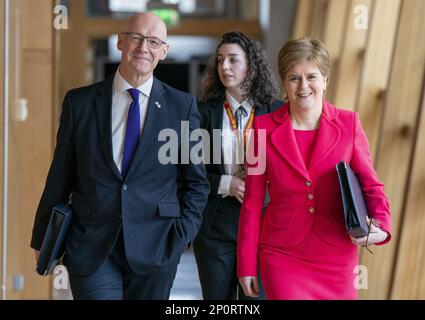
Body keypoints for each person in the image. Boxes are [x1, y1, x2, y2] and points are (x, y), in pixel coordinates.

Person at [30, 12, 209, 300]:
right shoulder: (80, 102)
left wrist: (181, 236)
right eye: (136, 38)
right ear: (121, 42)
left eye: (153, 42)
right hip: (92, 246)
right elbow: (60, 174)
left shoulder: (182, 107)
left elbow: (196, 183)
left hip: (157, 247)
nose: (143, 48)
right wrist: (43, 234)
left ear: (163, 51)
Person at [237, 38, 391, 300]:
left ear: (325, 80)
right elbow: (251, 203)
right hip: (282, 255)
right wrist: (246, 264)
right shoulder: (261, 130)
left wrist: (383, 226)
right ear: (284, 83)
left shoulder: (349, 123)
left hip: (337, 257)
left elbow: (370, 184)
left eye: (311, 76)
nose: (303, 86)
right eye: (294, 78)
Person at [193, 31, 281, 300]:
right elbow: (186, 172)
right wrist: (226, 183)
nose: (224, 67)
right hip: (215, 226)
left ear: (251, 66)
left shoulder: (277, 112)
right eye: (220, 60)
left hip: (264, 226)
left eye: (233, 60)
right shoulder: (201, 112)